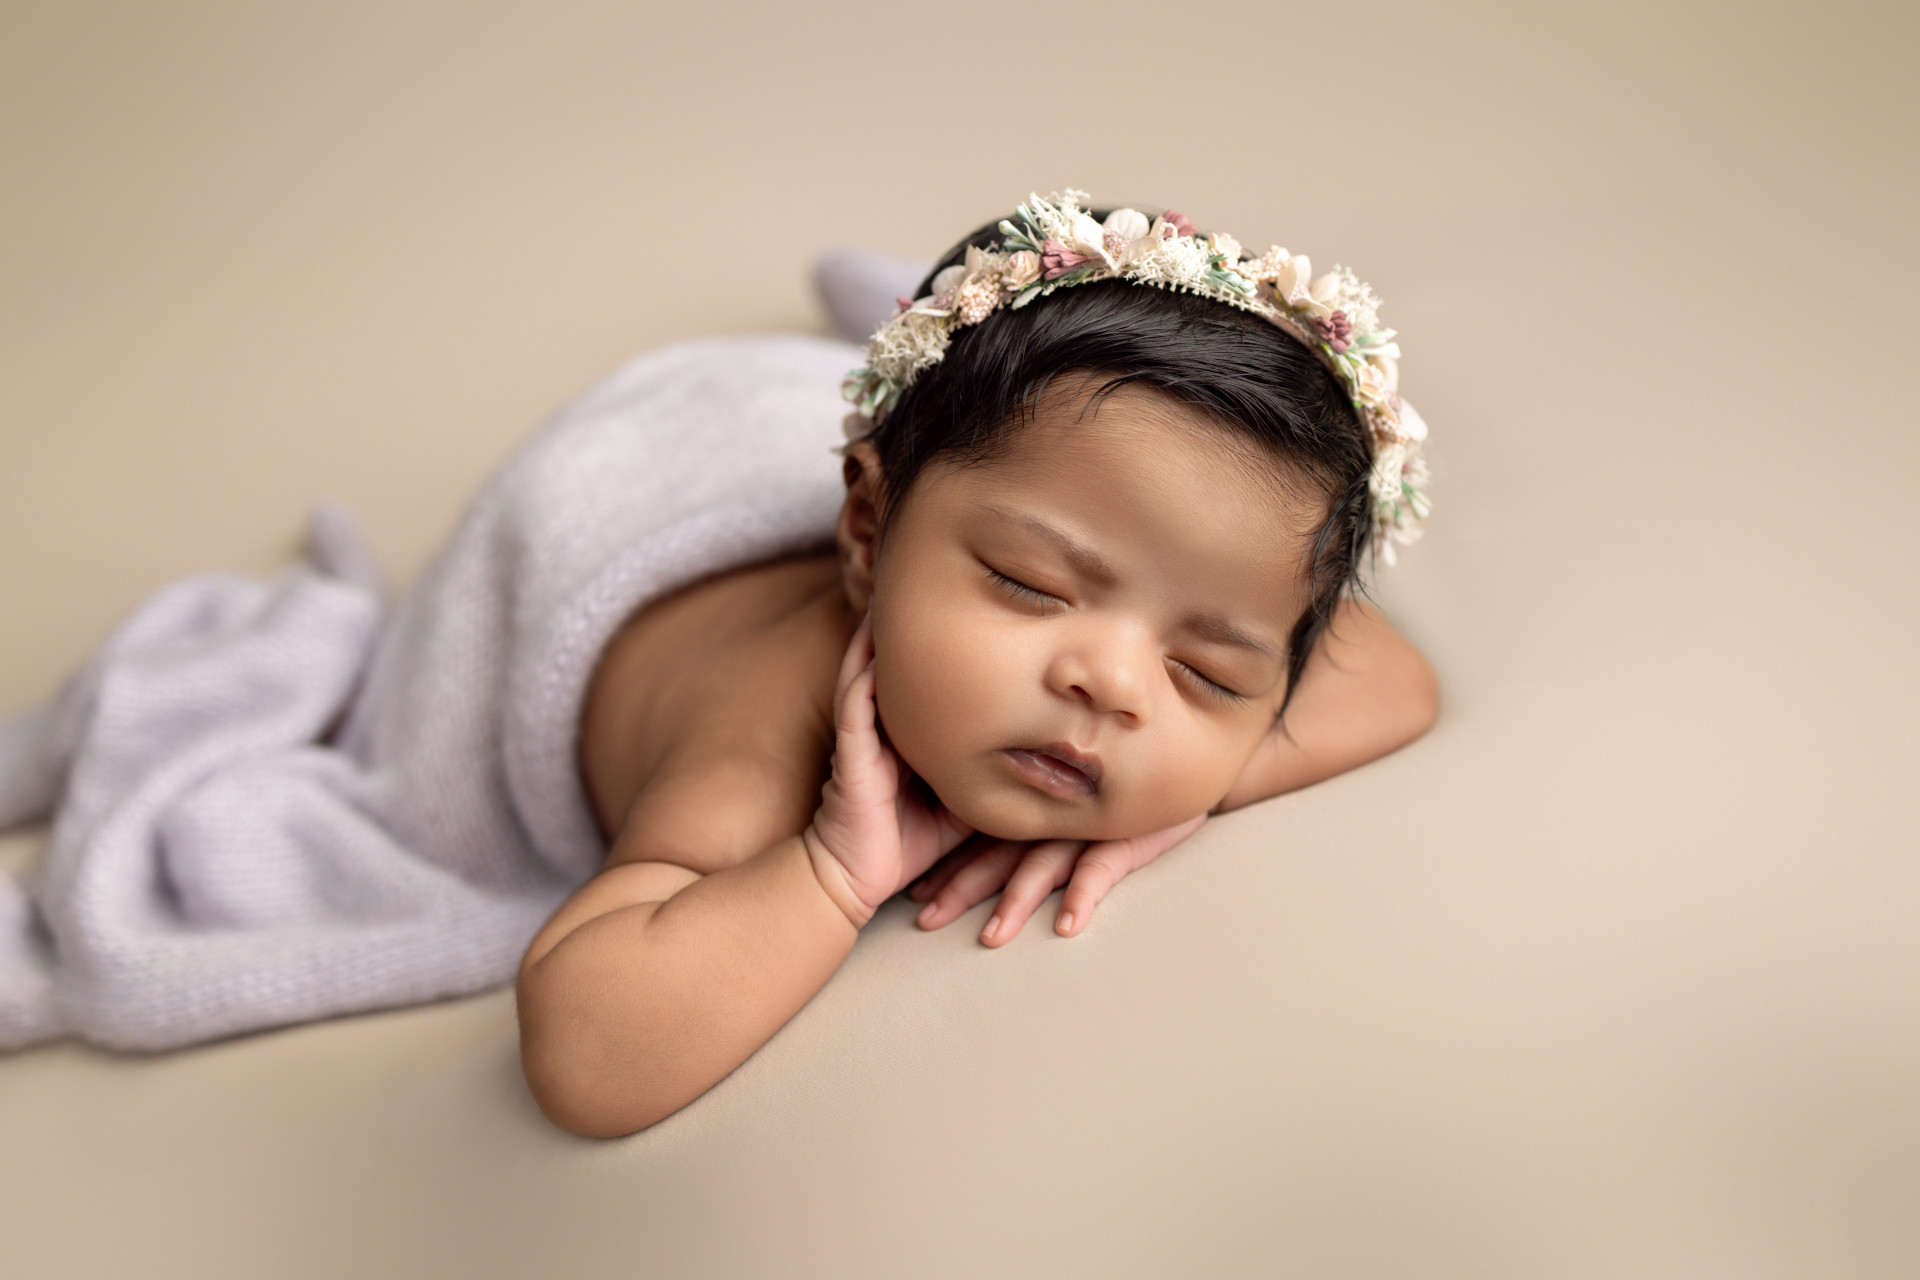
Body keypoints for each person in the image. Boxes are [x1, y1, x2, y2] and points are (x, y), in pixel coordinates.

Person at [515, 192, 1442, 1137]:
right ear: (870, 533)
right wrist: (833, 872)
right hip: (641, 482)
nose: (1115, 687)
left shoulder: (1090, 571)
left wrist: (1176, 791)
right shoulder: (760, 743)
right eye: (1029, 583)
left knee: (1011, 426)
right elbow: (586, 1056)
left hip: (988, 471)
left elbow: (1397, 678)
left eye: (1206, 674)